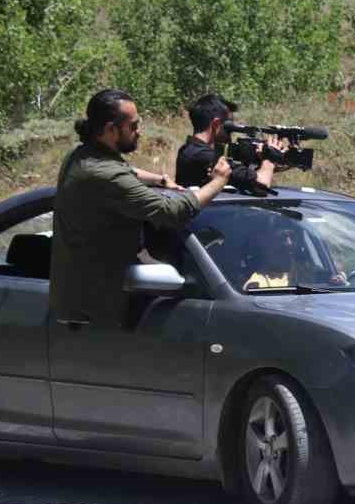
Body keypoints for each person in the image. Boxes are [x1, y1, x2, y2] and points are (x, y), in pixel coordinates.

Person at [50, 89, 233, 327]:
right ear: (110, 129)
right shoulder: (103, 174)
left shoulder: (83, 156)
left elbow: (127, 171)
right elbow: (171, 213)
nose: (139, 131)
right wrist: (218, 182)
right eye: (133, 126)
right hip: (94, 313)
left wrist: (159, 179)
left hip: (88, 301)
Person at [175, 92, 286, 191]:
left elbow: (243, 180)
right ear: (216, 124)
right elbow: (262, 182)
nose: (231, 132)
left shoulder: (188, 150)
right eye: (229, 126)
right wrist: (270, 159)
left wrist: (265, 165)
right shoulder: (204, 156)